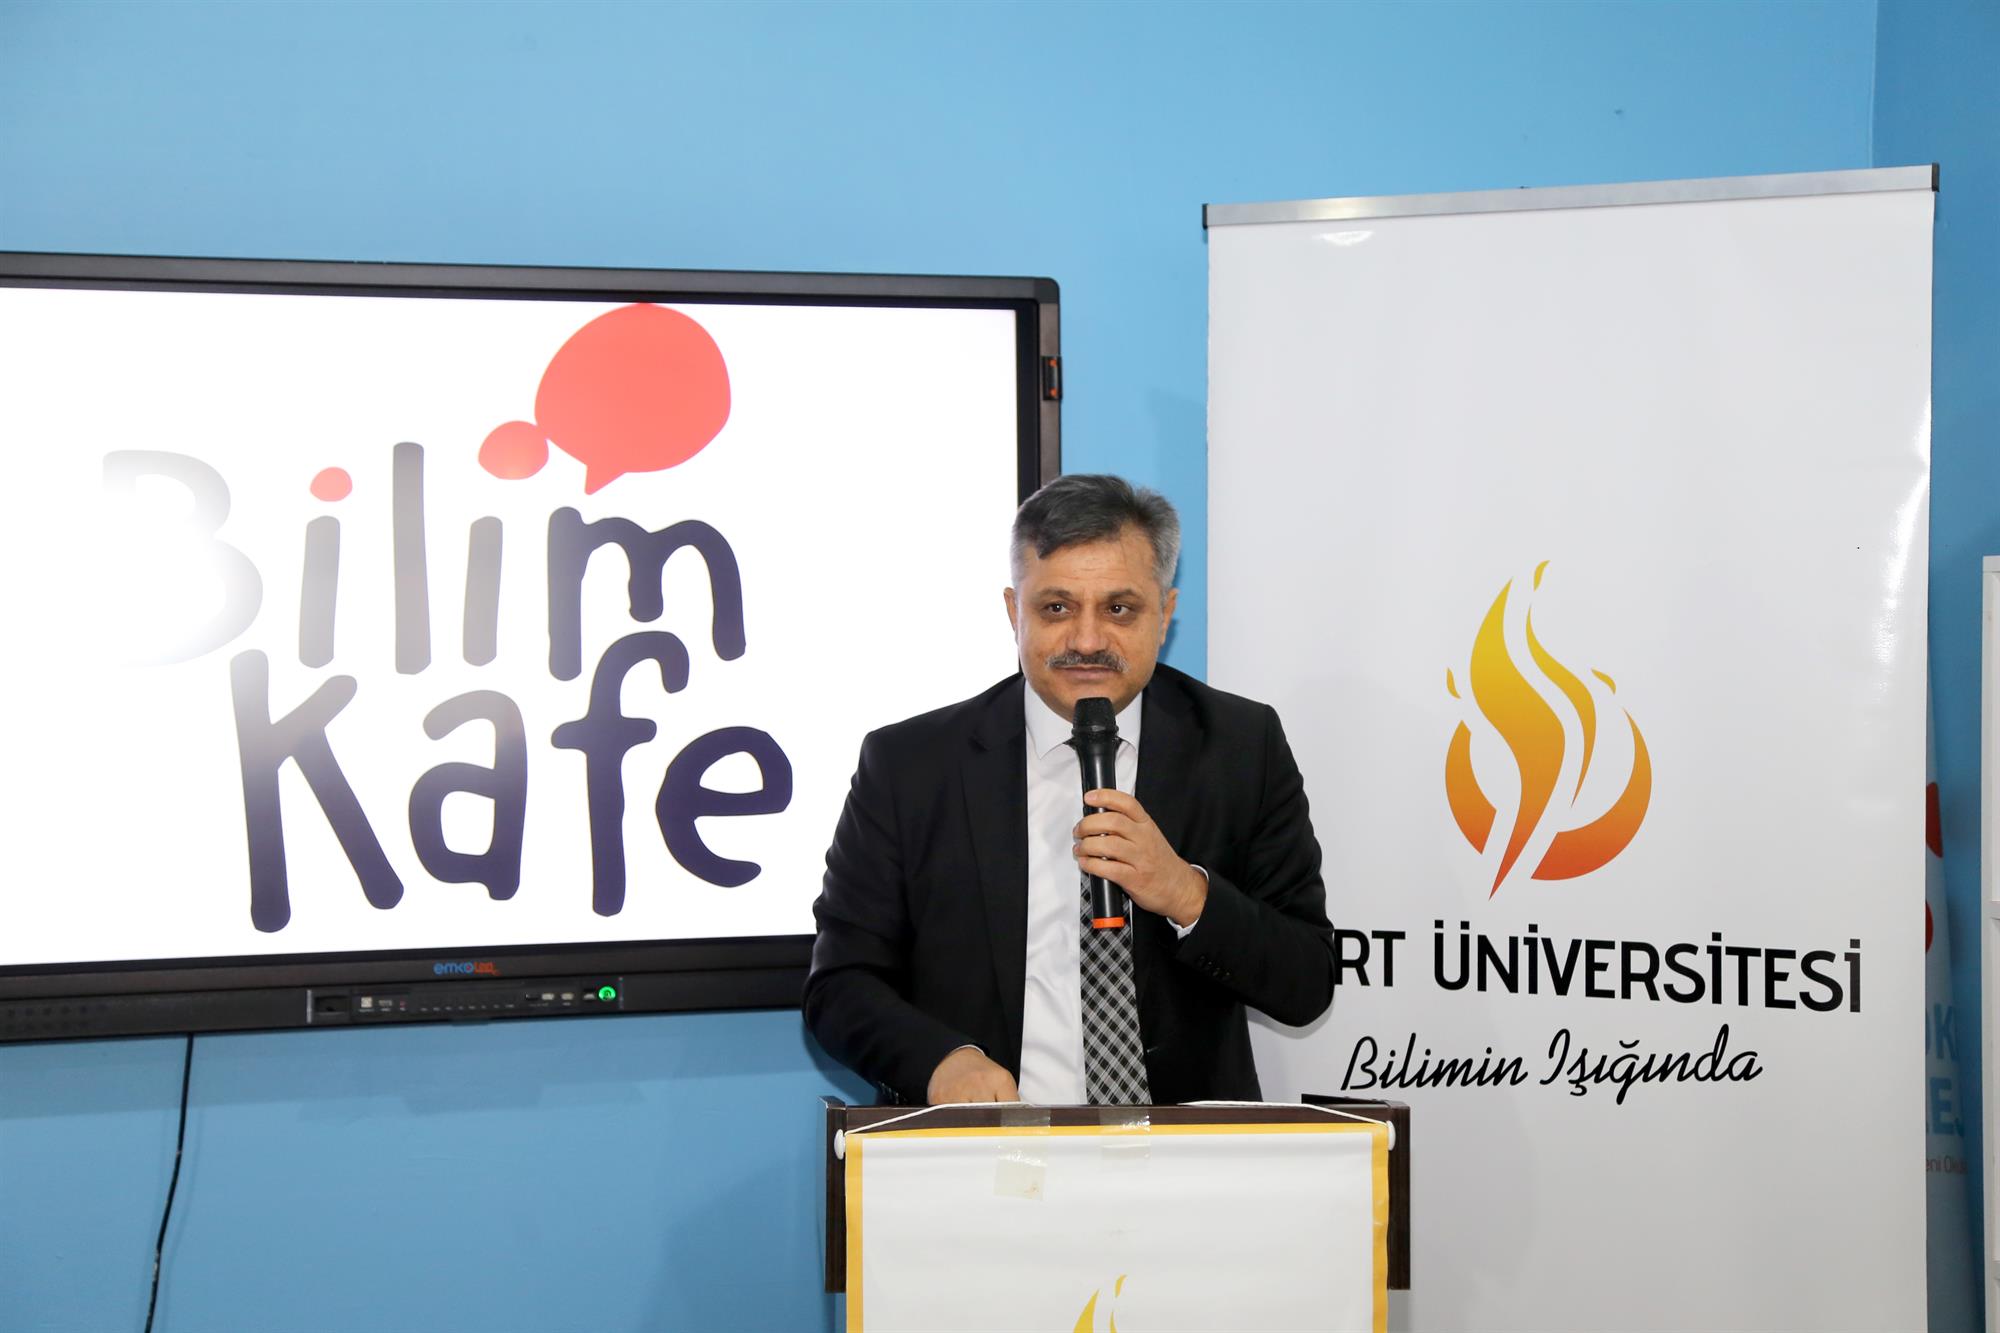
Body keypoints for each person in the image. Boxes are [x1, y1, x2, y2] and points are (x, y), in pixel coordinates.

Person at [803, 474, 1334, 1105]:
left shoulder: (1241, 746)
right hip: (987, 1148)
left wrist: (1185, 893)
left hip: (1183, 1147)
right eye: (1056, 608)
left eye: (1119, 609)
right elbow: (840, 985)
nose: (1087, 641)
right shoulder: (910, 765)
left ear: (1165, 613)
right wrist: (942, 1063)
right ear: (1014, 612)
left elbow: (1307, 982)